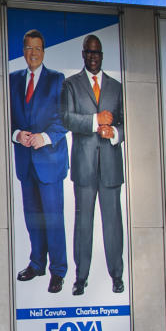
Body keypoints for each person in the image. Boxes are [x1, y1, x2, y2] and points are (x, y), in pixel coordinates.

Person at [60, 34, 125, 297]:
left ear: (102, 56)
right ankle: (80, 278)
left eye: (97, 54)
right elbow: (66, 119)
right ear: (83, 54)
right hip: (84, 167)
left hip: (110, 166)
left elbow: (125, 122)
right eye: (89, 53)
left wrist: (115, 133)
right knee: (83, 224)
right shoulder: (71, 85)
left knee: (113, 224)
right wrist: (96, 120)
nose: (93, 58)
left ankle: (117, 276)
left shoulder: (116, 87)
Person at [10, 29, 69, 294]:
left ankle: (58, 271)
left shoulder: (57, 80)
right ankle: (37, 263)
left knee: (53, 219)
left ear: (43, 52)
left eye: (37, 48)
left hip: (50, 162)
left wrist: (44, 137)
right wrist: (17, 134)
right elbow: (7, 116)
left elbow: (64, 119)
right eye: (28, 48)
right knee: (33, 217)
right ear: (23, 51)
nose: (32, 53)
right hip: (25, 162)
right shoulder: (13, 80)